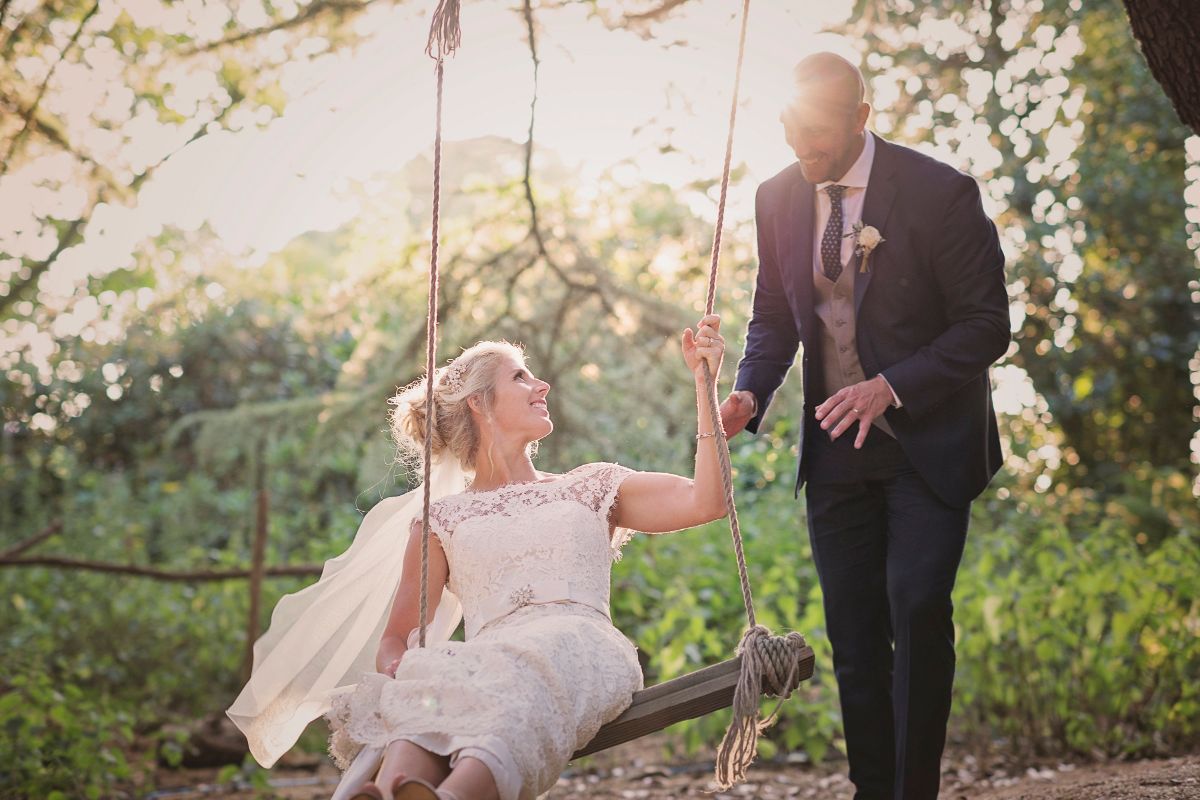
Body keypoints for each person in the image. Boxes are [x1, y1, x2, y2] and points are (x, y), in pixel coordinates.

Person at [228, 315, 730, 800]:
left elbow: (705, 501)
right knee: (432, 682)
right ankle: (392, 792)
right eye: (520, 376)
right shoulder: (441, 519)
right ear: (478, 403)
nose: (542, 386)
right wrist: (403, 668)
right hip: (485, 663)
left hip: (579, 647)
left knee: (514, 672)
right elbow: (398, 637)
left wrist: (704, 388)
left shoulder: (591, 486)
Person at [719, 53, 1010, 800]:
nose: (800, 145)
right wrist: (749, 391)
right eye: (790, 127)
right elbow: (775, 313)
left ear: (861, 118)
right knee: (853, 638)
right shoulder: (776, 197)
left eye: (816, 130)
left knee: (916, 607)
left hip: (928, 445)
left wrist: (890, 387)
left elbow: (987, 325)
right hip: (835, 452)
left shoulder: (940, 192)